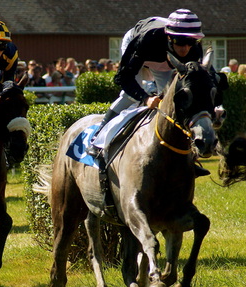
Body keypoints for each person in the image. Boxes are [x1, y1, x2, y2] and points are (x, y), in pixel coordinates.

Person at [86, 9, 209, 176]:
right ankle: (97, 139)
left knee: (171, 100)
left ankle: (189, 158)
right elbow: (123, 78)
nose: (185, 48)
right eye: (180, 42)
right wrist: (145, 99)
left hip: (163, 56)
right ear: (170, 37)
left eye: (190, 43)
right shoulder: (145, 41)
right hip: (141, 46)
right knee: (129, 96)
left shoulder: (194, 50)